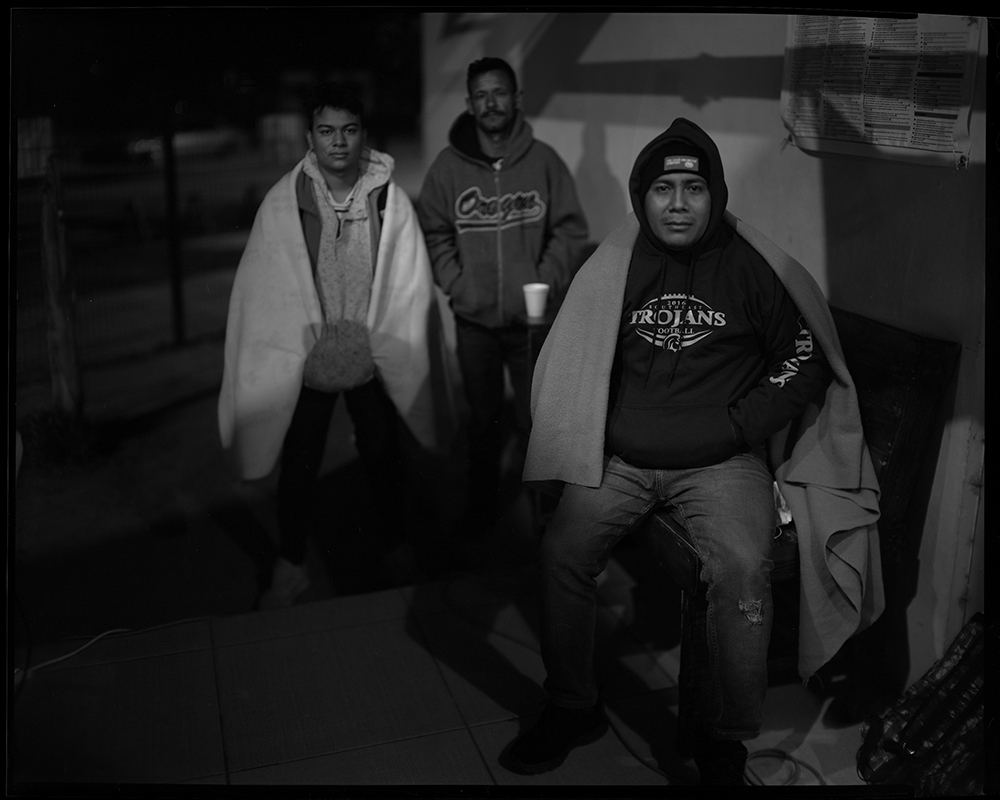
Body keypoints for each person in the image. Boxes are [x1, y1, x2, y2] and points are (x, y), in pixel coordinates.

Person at [505, 118, 884, 784]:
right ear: (641, 196)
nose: (678, 203)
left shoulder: (750, 267)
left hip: (721, 463)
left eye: (693, 188)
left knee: (742, 569)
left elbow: (803, 356)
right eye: (663, 189)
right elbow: (577, 356)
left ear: (715, 195)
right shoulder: (614, 267)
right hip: (622, 461)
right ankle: (572, 703)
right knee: (562, 551)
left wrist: (740, 423)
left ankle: (724, 742)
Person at [219, 84, 454, 609]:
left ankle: (395, 548)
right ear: (310, 138)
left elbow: (407, 280)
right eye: (327, 131)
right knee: (299, 464)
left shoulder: (388, 197)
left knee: (383, 456)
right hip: (311, 362)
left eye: (349, 130)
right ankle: (292, 563)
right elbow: (266, 288)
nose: (339, 142)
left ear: (362, 135)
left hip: (371, 357)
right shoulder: (286, 202)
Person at [417, 57, 588, 530]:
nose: (491, 102)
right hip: (474, 324)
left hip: (532, 323)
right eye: (481, 95)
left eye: (499, 93)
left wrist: (544, 276)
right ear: (469, 104)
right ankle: (482, 509)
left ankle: (546, 516)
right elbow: (433, 231)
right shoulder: (448, 168)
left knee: (540, 421)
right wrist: (458, 283)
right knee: (484, 419)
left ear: (516, 99)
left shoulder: (544, 161)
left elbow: (570, 231)